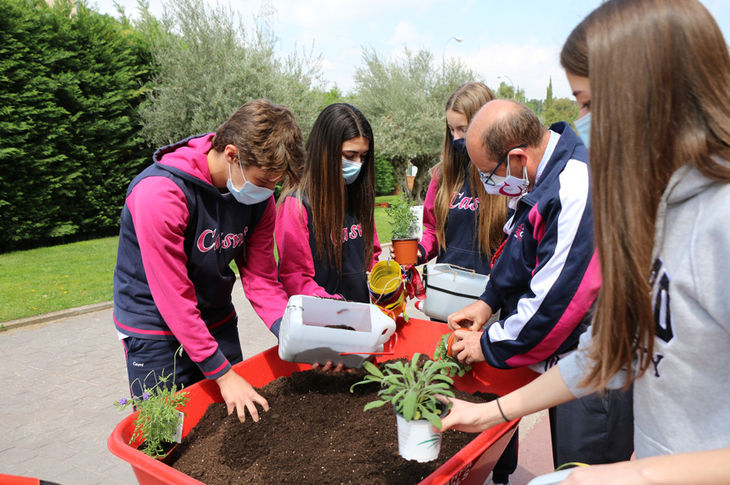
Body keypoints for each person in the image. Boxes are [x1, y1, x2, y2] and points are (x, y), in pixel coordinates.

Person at [440, 0, 730, 483]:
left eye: (590, 104)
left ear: (655, 94)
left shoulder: (719, 220)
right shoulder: (651, 211)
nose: (583, 124)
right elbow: (608, 354)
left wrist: (619, 477)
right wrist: (489, 414)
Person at [447, 98, 634, 469]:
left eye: (488, 174)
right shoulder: (544, 176)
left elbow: (556, 303)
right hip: (566, 365)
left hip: (593, 374)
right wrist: (488, 301)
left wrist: (486, 343)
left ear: (517, 158)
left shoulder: (573, 186)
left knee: (585, 469)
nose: (487, 184)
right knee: (568, 466)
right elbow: (521, 246)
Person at [113, 99, 305, 422]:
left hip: (215, 319)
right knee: (165, 437)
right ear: (232, 155)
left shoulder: (258, 201)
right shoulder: (160, 195)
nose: (270, 192)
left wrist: (293, 334)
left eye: (276, 182)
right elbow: (173, 298)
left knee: (237, 420)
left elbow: (261, 280)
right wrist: (223, 374)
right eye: (264, 181)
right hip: (154, 330)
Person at [275, 103, 381, 372]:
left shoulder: (357, 197)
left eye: (363, 156)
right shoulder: (297, 204)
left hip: (360, 331)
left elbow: (373, 256)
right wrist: (339, 313)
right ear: (325, 151)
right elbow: (296, 278)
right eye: (349, 155)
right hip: (319, 336)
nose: (357, 165)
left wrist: (385, 284)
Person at [418, 82, 506, 275]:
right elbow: (432, 229)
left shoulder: (509, 178)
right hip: (448, 290)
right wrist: (419, 250)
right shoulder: (442, 176)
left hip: (490, 295)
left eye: (463, 129)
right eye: (451, 129)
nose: (455, 137)